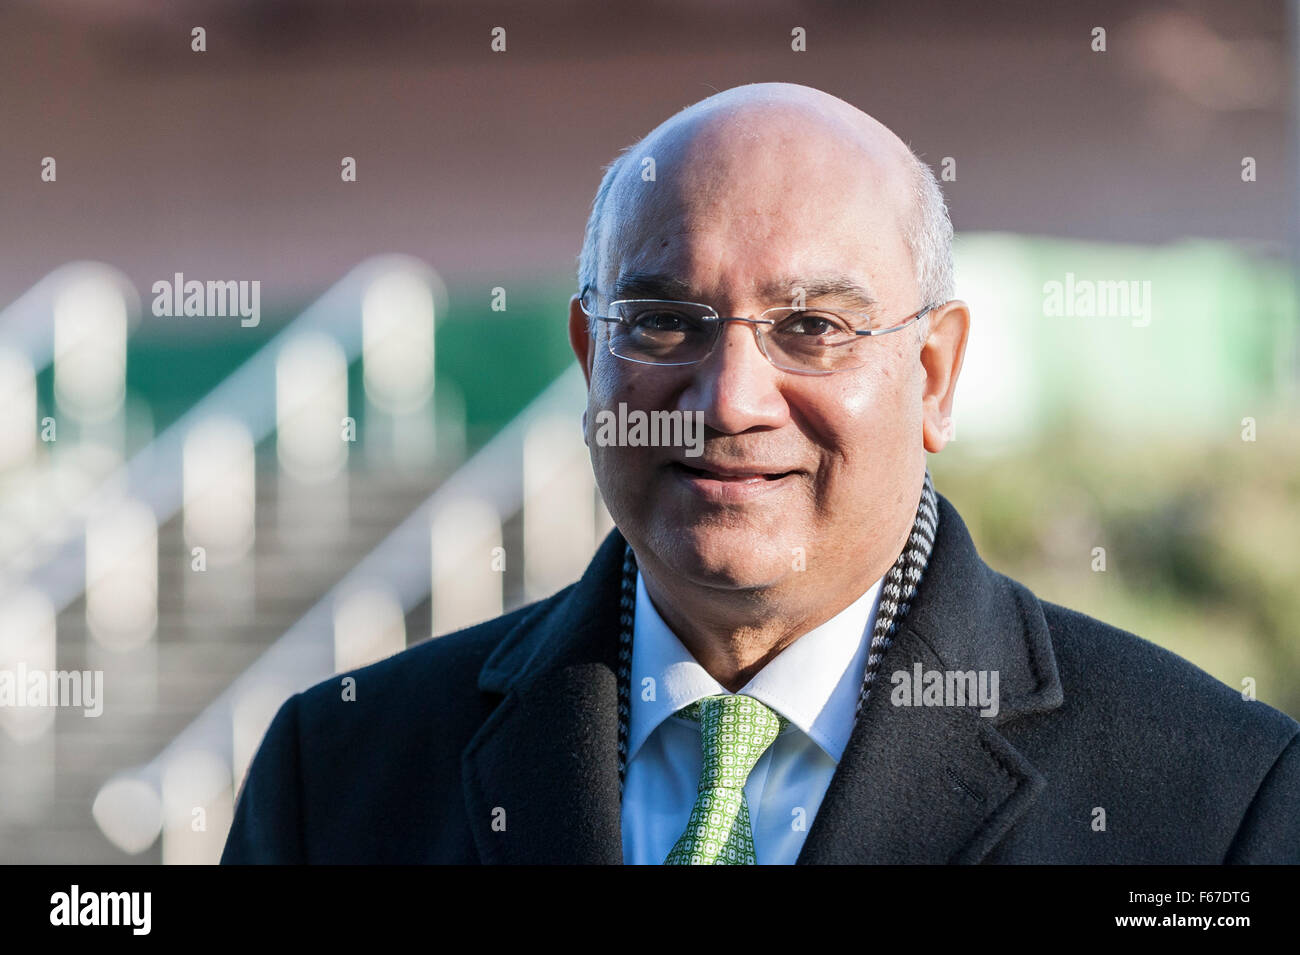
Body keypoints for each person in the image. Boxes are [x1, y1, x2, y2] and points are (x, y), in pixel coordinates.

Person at [222, 82, 1300, 864]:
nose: (730, 399)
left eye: (812, 327)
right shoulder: (344, 776)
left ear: (934, 373)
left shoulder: (1215, 801)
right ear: (591, 357)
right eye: (661, 323)